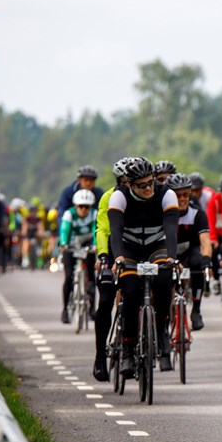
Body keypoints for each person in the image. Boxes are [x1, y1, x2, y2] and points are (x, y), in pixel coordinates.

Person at [108, 157, 179, 376]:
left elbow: (170, 229)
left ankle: (162, 329)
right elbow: (116, 231)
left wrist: (173, 258)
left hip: (156, 245)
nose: (149, 188)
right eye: (142, 185)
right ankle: (128, 349)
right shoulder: (118, 197)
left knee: (164, 280)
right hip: (128, 248)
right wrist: (118, 257)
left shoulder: (166, 194)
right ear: (129, 184)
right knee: (129, 290)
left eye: (151, 182)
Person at [91, 157, 130, 381]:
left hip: (133, 251)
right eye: (125, 181)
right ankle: (99, 356)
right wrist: (104, 255)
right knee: (105, 301)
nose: (129, 185)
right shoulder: (109, 197)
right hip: (112, 252)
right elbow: (103, 228)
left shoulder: (144, 196)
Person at [168, 174, 212, 331]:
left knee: (198, 263)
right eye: (177, 195)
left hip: (189, 252)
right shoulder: (162, 213)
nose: (182, 199)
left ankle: (196, 310)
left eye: (186, 194)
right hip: (167, 253)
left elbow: (205, 241)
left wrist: (207, 259)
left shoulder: (197, 213)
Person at [58, 189, 98, 324]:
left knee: (92, 275)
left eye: (87, 206)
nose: (83, 209)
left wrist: (96, 245)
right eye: (81, 206)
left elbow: (95, 230)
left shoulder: (94, 214)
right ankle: (64, 310)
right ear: (75, 205)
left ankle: (92, 308)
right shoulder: (69, 214)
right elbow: (64, 230)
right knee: (69, 275)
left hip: (87, 245)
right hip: (71, 244)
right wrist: (63, 243)